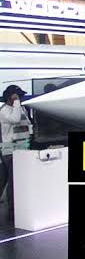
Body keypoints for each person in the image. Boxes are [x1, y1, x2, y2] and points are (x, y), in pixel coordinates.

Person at [0, 85, 32, 216]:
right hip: (10, 151)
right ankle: (13, 210)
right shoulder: (4, 111)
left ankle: (15, 207)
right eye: (18, 96)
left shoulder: (19, 109)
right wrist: (16, 102)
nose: (21, 98)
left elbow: (27, 124)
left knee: (7, 179)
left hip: (21, 148)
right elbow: (15, 119)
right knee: (13, 181)